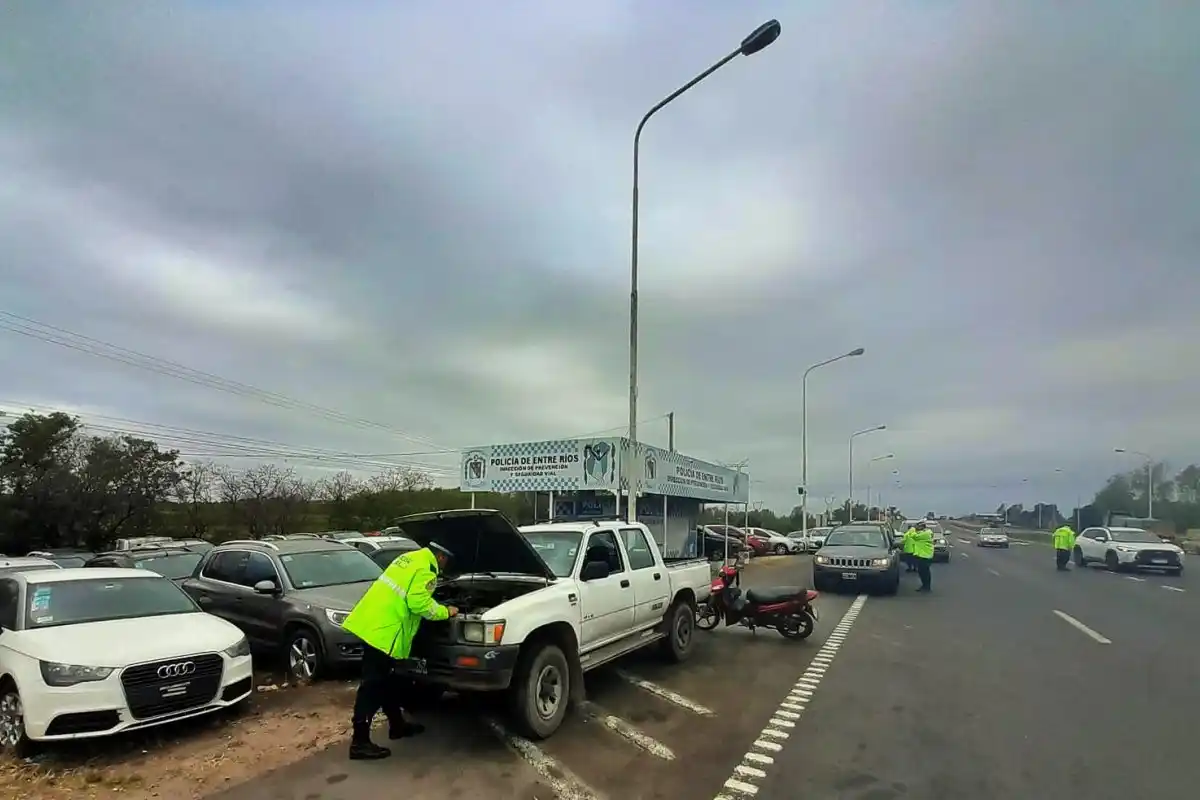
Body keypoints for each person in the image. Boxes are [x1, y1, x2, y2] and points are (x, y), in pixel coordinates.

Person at [340, 541, 459, 760]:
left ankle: (397, 725)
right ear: (441, 558)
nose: (444, 568)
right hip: (385, 632)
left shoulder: (409, 559)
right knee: (372, 686)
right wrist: (446, 611)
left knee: (389, 681)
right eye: (446, 563)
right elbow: (419, 604)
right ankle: (360, 742)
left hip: (373, 623)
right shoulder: (427, 569)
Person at [909, 523, 935, 592]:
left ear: (922, 527)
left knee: (925, 572)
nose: (916, 528)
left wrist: (912, 529)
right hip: (922, 555)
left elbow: (914, 536)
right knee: (922, 572)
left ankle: (927, 587)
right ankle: (924, 586)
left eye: (918, 526)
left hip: (925, 555)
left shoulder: (926, 534)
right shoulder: (924, 533)